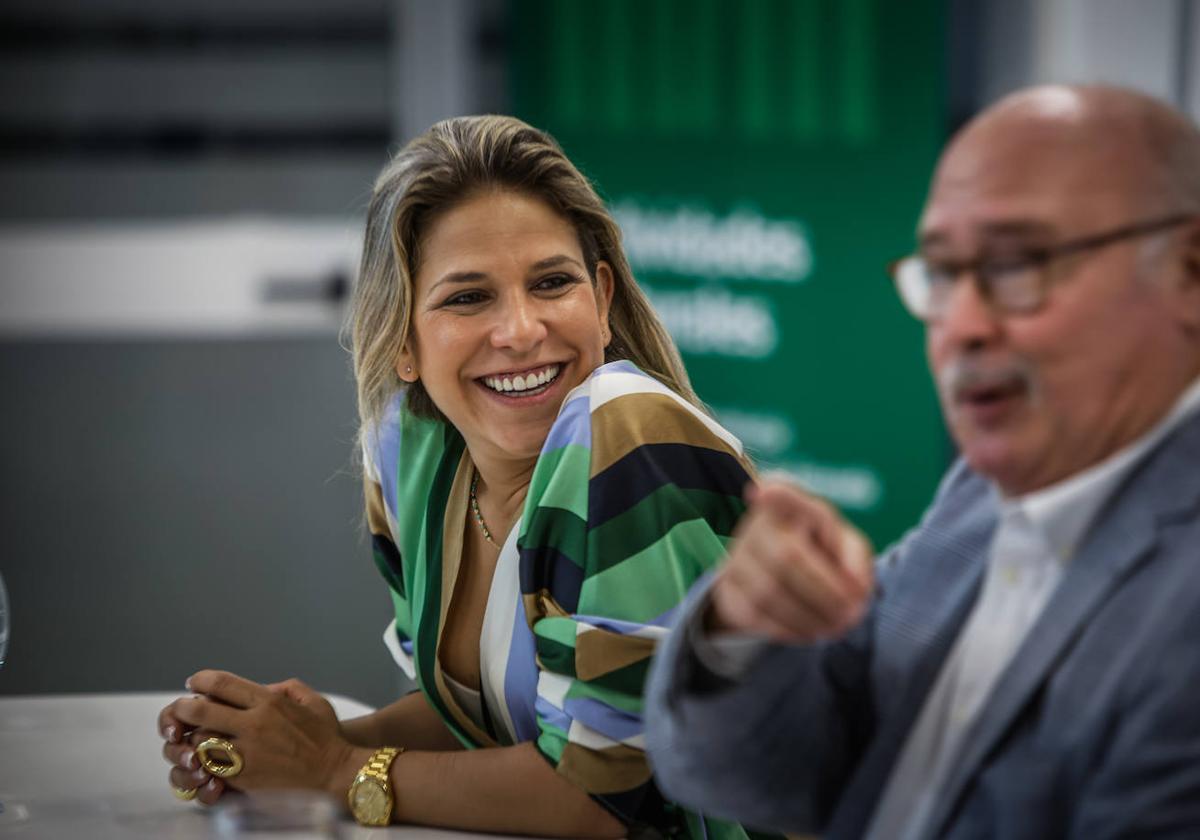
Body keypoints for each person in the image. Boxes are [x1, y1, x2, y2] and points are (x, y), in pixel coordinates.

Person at [156, 115, 764, 838]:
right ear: (403, 341)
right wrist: (283, 748)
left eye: (552, 283)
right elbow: (488, 720)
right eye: (468, 297)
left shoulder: (629, 435)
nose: (520, 330)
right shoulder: (405, 453)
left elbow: (599, 802)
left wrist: (328, 770)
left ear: (601, 301)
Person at [644, 84, 1200, 839]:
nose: (962, 326)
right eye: (942, 273)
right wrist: (743, 628)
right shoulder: (987, 488)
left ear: (1188, 271)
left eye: (1017, 265)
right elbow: (762, 777)